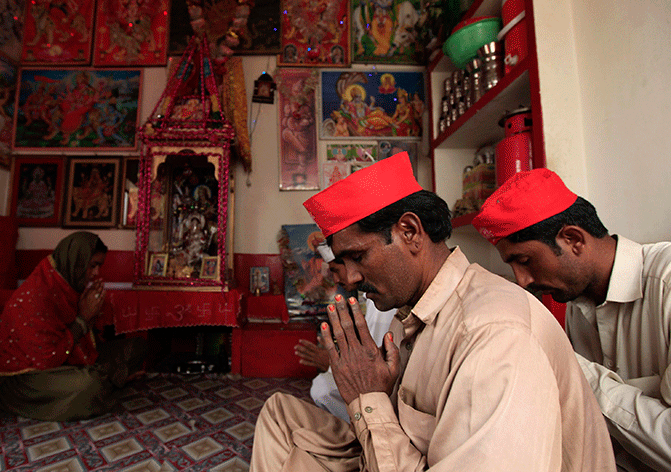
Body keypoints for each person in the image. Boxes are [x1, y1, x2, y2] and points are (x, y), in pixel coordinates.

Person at [250, 153, 616, 471]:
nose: (353, 277)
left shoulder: (494, 333)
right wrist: (380, 391)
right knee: (282, 415)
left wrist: (369, 399)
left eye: (358, 256)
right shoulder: (412, 309)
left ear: (410, 231)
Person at [472, 168, 671, 472]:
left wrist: (571, 368)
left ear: (573, 239)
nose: (522, 281)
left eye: (525, 261)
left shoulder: (666, 284)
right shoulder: (577, 305)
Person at [0, 232, 146, 421]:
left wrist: (90, 317)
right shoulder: (37, 295)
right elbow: (48, 361)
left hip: (64, 361)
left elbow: (85, 344)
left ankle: (107, 380)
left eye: (99, 266)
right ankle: (107, 382)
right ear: (76, 261)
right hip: (22, 381)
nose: (96, 274)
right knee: (90, 383)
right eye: (92, 266)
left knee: (136, 348)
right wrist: (83, 318)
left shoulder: (68, 284)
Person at [294, 242, 396, 422]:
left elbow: (380, 364)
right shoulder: (369, 298)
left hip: (387, 397)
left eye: (335, 270)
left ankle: (363, 434)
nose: (335, 279)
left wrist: (334, 365)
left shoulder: (384, 303)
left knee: (321, 389)